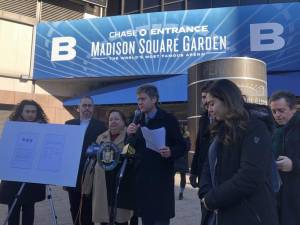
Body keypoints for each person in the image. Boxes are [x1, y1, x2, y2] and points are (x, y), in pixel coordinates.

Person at [199, 79, 278, 225]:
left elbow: (250, 176)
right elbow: (207, 167)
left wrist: (213, 199)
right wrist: (205, 194)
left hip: (250, 215)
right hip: (220, 213)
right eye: (207, 105)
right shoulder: (220, 129)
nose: (209, 109)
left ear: (227, 99)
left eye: (212, 103)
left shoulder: (255, 127)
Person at [127, 84, 186, 225]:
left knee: (160, 221)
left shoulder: (168, 119)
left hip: (161, 182)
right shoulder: (136, 119)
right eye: (138, 100)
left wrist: (171, 152)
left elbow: (183, 145)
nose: (139, 102)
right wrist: (128, 135)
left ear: (154, 99)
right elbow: (129, 149)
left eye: (143, 99)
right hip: (143, 182)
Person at [82, 110, 136, 225]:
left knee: (121, 219)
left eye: (117, 119)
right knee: (104, 219)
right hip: (103, 185)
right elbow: (92, 161)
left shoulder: (130, 136)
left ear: (123, 122)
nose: (113, 122)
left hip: (121, 185)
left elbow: (133, 156)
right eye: (111, 119)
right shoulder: (101, 137)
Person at [0, 100, 48, 225]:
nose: (30, 114)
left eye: (33, 111)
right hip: (14, 176)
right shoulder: (12, 128)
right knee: (13, 209)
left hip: (32, 178)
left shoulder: (44, 128)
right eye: (27, 111)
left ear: (37, 113)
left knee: (29, 209)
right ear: (21, 112)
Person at [64, 96, 106, 225]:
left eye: (89, 106)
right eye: (84, 105)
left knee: (88, 208)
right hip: (72, 173)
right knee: (74, 207)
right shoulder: (69, 124)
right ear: (78, 108)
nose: (87, 108)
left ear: (93, 108)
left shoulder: (101, 126)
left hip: (90, 172)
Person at [269, 91, 300, 225]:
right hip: (277, 195)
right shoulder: (272, 130)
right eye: (274, 111)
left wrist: (294, 164)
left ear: (294, 109)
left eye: (281, 110)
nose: (277, 115)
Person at [190, 82, 213, 189]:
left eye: (205, 97)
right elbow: (198, 146)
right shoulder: (203, 119)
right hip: (203, 171)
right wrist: (194, 171)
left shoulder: (225, 119)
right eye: (203, 97)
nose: (204, 101)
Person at [174, 125, 191, 200]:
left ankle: (180, 192)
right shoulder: (185, 138)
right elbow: (188, 148)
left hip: (178, 159)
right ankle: (180, 192)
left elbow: (187, 148)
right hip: (181, 160)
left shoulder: (178, 137)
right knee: (182, 177)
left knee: (181, 177)